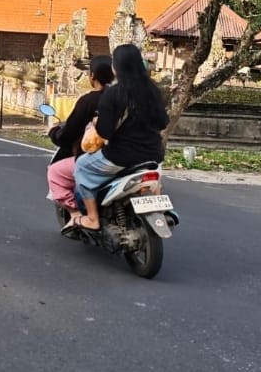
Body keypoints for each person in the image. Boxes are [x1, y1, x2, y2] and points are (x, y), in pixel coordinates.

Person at [64, 43, 169, 236]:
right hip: (153, 155)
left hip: (120, 156)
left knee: (81, 167)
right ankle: (160, 208)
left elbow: (105, 134)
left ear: (117, 67)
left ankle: (92, 218)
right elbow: (163, 122)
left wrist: (97, 123)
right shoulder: (154, 91)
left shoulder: (114, 94)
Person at [46, 55, 114, 217]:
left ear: (92, 76)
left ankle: (77, 214)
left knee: (55, 172)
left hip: (102, 157)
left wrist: (54, 132)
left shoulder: (89, 101)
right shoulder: (124, 98)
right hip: (135, 156)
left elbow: (70, 133)